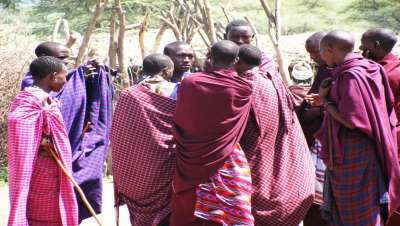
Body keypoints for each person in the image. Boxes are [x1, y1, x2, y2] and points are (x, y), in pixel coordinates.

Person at [20, 41, 114, 222]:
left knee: (81, 184)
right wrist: (77, 75)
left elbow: (80, 99)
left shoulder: (69, 77)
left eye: (68, 60)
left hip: (73, 147)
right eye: (62, 59)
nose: (67, 64)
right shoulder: (30, 84)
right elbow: (49, 99)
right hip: (47, 156)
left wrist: (94, 77)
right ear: (45, 60)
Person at [315, 30, 400, 226]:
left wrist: (326, 100)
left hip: (354, 152)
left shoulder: (351, 75)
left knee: (360, 213)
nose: (321, 57)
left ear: (329, 49)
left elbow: (351, 120)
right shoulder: (370, 67)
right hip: (368, 147)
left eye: (321, 52)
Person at [171, 40, 254, 226]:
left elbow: (181, 119)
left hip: (192, 157)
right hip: (228, 155)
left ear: (209, 56)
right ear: (237, 60)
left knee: (195, 211)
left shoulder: (190, 82)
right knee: (233, 209)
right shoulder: (244, 87)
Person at [236, 44, 315, 226]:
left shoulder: (244, 87)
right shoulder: (275, 83)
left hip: (260, 174)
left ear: (236, 62)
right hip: (294, 184)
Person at [8, 56, 78, 226]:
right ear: (53, 76)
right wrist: (41, 142)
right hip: (40, 173)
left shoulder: (46, 101)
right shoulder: (29, 102)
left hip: (54, 172)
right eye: (64, 76)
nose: (66, 82)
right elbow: (19, 125)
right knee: (40, 217)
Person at [111, 54, 176, 226]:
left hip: (135, 173)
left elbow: (119, 135)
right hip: (165, 167)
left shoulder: (128, 94)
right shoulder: (177, 90)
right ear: (166, 71)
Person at [360, 27, 400, 226]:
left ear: (375, 46)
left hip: (393, 140)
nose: (360, 49)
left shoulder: (385, 72)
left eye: (363, 45)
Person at [296, 32, 332, 226]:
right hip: (316, 140)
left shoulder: (339, 72)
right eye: (309, 53)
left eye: (315, 52)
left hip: (328, 143)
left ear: (328, 49)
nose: (312, 58)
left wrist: (318, 109)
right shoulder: (325, 69)